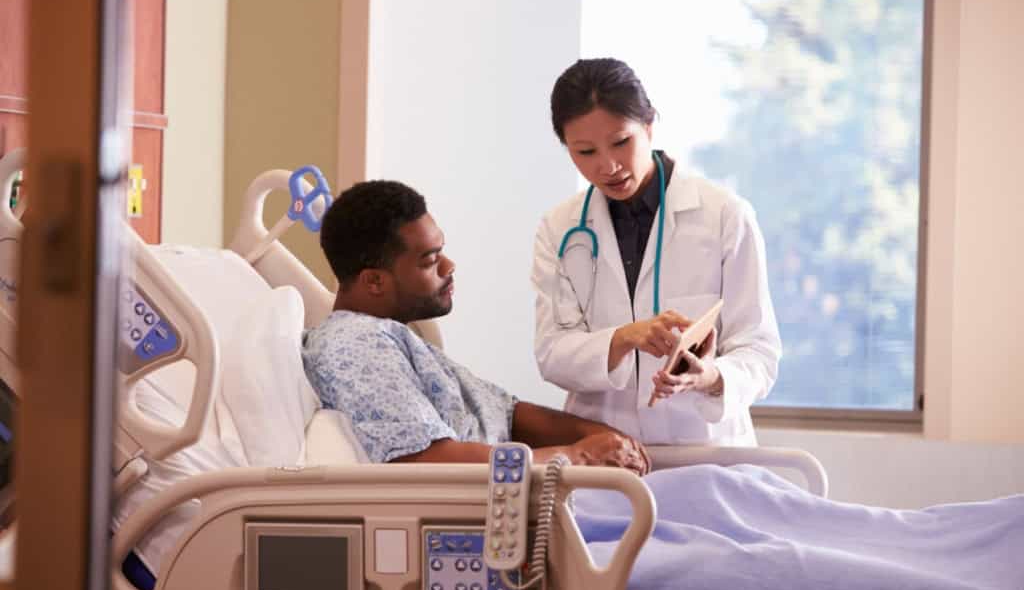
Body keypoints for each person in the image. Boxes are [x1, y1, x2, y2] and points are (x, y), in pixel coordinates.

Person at [301, 179, 651, 474]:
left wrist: (604, 436)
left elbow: (508, 414)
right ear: (374, 281)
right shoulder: (356, 345)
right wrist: (580, 456)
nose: (449, 266)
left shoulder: (396, 338)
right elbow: (428, 460)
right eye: (430, 260)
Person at [532, 58, 781, 446]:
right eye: (585, 152)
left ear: (648, 125)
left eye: (620, 142)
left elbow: (758, 350)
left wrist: (711, 378)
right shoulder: (559, 229)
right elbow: (553, 353)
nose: (607, 166)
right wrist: (625, 337)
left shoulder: (724, 216)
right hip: (607, 456)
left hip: (704, 452)